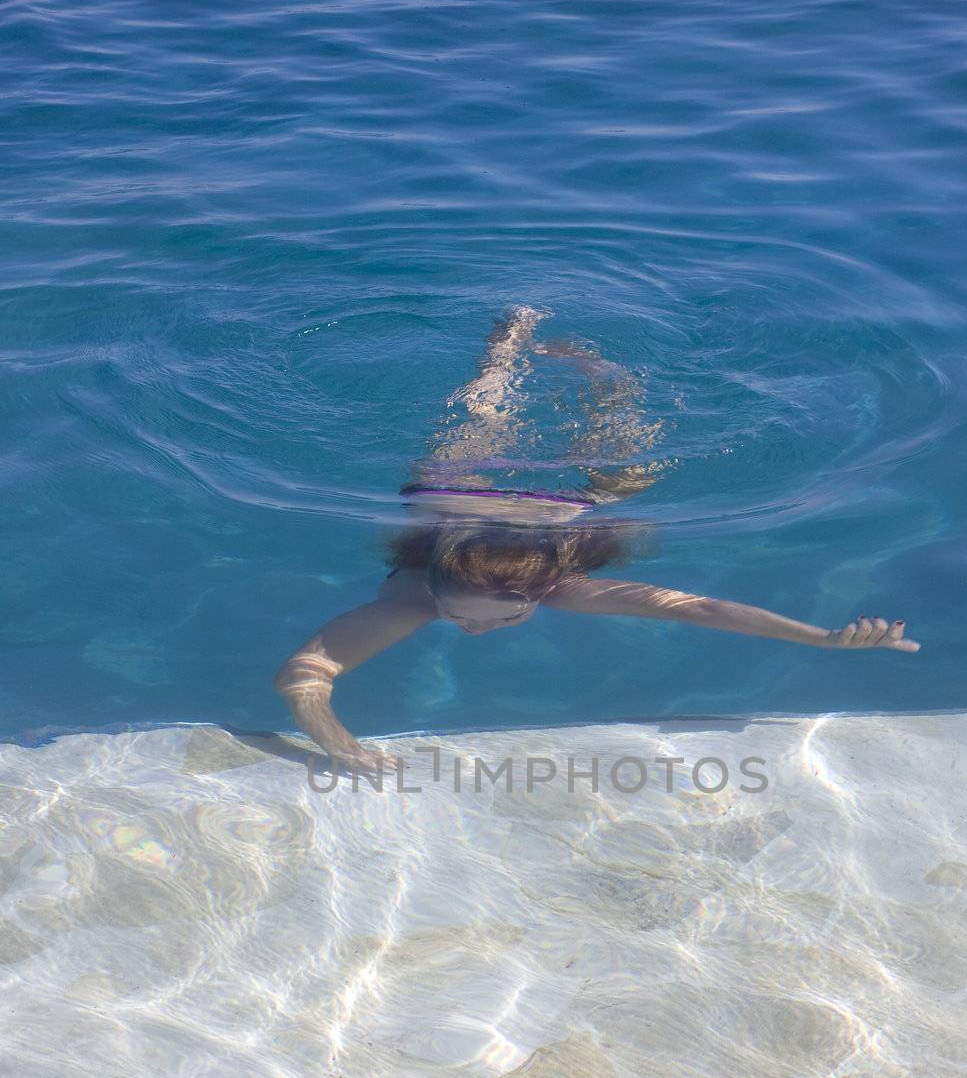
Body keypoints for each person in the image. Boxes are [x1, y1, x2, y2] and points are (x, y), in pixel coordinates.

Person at [274, 306, 919, 773]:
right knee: (590, 456)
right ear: (434, 584)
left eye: (490, 618)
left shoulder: (548, 587)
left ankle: (589, 365)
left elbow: (700, 608)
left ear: (538, 593)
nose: (470, 629)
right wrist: (341, 744)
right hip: (478, 506)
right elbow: (304, 677)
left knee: (557, 440)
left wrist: (823, 638)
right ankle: (516, 346)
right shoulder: (417, 595)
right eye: (456, 615)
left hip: (478, 496)